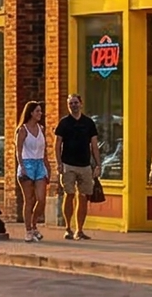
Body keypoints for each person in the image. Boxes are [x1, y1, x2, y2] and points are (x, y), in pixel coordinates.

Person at [53, 93, 101, 240]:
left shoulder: (88, 123)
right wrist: (59, 163)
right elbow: (57, 144)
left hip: (85, 165)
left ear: (81, 103)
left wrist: (98, 164)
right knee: (69, 194)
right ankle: (68, 227)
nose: (73, 105)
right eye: (71, 103)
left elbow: (94, 145)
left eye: (75, 103)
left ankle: (79, 229)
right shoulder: (64, 123)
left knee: (84, 196)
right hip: (68, 164)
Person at [14, 100, 51, 243]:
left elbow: (44, 150)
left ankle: (34, 224)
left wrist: (48, 167)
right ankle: (28, 230)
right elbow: (18, 150)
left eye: (40, 111)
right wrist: (22, 166)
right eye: (37, 111)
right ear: (30, 113)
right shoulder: (22, 130)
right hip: (27, 163)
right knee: (29, 200)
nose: (40, 114)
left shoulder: (41, 129)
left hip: (40, 163)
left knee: (41, 199)